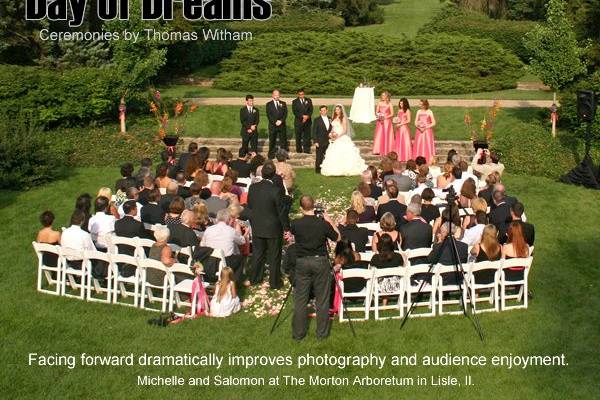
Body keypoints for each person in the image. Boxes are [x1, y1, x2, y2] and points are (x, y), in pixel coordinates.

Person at [290, 195, 340, 340]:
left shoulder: (296, 224)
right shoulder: (322, 224)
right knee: (322, 298)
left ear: (301, 208)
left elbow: (292, 233)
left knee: (300, 299)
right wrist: (329, 220)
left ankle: (298, 334)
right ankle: (322, 333)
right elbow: (337, 237)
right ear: (314, 207)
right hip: (320, 261)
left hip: (302, 262)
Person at [246, 162, 289, 289]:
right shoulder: (275, 191)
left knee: (258, 254)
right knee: (274, 255)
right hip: (273, 227)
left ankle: (255, 278)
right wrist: (287, 227)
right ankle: (274, 282)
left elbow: (250, 206)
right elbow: (281, 212)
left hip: (258, 225)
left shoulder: (253, 188)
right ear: (273, 175)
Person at [201, 209, 247, 283]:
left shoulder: (208, 229)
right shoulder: (231, 230)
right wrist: (241, 230)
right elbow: (242, 242)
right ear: (228, 219)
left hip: (209, 261)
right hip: (225, 262)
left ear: (217, 219)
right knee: (240, 258)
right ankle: (235, 281)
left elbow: (202, 245)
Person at [320, 104, 368, 176]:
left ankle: (346, 169)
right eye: (335, 110)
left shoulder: (343, 118)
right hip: (335, 137)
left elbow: (345, 130)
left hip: (342, 137)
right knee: (333, 153)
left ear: (341, 110)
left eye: (338, 109)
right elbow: (333, 127)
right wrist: (331, 134)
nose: (336, 111)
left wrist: (338, 136)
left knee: (343, 153)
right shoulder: (334, 118)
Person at [265, 89, 288, 159]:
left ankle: (284, 155)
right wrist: (275, 122)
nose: (277, 96)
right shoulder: (268, 104)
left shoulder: (283, 103)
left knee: (283, 141)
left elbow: (285, 114)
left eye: (278, 95)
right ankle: (271, 154)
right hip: (273, 125)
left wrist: (281, 121)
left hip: (282, 125)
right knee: (272, 140)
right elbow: (269, 115)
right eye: (275, 95)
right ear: (272, 95)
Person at [312, 105, 333, 174]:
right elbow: (314, 131)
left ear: (327, 111)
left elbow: (332, 129)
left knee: (328, 155)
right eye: (322, 111)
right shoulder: (317, 120)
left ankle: (327, 168)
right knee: (319, 156)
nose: (323, 112)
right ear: (320, 111)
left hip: (328, 140)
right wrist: (315, 141)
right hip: (320, 141)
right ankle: (318, 170)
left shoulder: (330, 119)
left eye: (324, 110)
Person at [292, 88, 313, 153]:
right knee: (298, 136)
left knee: (307, 136)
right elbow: (295, 112)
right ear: (298, 95)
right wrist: (302, 116)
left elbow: (311, 110)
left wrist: (307, 116)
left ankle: (306, 149)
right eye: (300, 94)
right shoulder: (295, 102)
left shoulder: (308, 100)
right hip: (299, 121)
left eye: (302, 94)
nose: (301, 96)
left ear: (304, 94)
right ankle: (299, 150)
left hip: (307, 121)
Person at [373, 91, 394, 155]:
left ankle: (386, 149)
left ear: (387, 96)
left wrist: (385, 117)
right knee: (379, 134)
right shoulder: (379, 103)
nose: (382, 97)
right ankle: (378, 149)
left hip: (387, 121)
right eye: (382, 95)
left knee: (386, 134)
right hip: (380, 121)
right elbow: (376, 112)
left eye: (384, 95)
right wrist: (379, 116)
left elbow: (392, 113)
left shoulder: (389, 104)